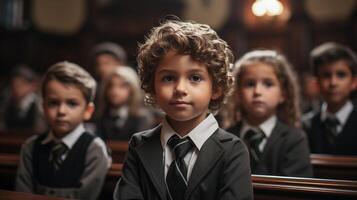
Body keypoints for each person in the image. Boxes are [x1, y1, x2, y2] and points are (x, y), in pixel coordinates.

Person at [113, 19, 253, 200]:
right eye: (168, 78)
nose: (180, 89)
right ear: (153, 87)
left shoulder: (233, 150)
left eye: (195, 77)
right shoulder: (139, 144)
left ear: (216, 88)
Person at [15, 61, 111, 200]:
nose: (61, 111)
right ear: (43, 107)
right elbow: (21, 194)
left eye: (72, 103)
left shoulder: (95, 149)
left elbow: (85, 196)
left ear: (88, 111)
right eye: (53, 103)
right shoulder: (30, 147)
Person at [226, 50, 313, 177]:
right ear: (238, 93)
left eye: (268, 84)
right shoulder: (226, 137)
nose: (257, 91)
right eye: (250, 84)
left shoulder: (294, 139)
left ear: (283, 94)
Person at [302, 42, 357, 155]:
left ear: (354, 82)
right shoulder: (305, 126)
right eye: (326, 75)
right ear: (316, 83)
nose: (333, 83)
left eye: (341, 75)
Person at [95, 66, 155, 141]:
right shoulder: (101, 116)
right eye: (111, 86)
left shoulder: (142, 117)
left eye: (122, 86)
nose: (115, 91)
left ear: (132, 89)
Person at [0, 65, 46, 133]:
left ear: (32, 86)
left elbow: (41, 128)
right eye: (14, 85)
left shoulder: (38, 104)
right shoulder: (8, 103)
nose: (16, 89)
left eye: (20, 84)